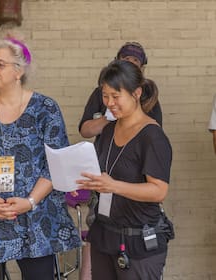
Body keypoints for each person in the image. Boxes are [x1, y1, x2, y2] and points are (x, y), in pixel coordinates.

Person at [0, 36, 80, 280]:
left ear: (18, 70)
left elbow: (55, 162)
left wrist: (30, 201)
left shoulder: (45, 108)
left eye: (0, 64)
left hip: (34, 216)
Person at [76, 60, 174, 280]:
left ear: (136, 93)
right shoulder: (108, 130)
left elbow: (158, 191)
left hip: (138, 240)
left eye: (116, 96)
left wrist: (114, 186)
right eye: (105, 95)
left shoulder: (152, 136)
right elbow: (102, 172)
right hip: (105, 233)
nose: (109, 103)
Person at [79, 42, 162, 141]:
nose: (110, 102)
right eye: (126, 59)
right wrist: (109, 117)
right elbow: (85, 131)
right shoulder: (100, 92)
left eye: (135, 60)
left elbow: (155, 133)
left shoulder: (149, 95)